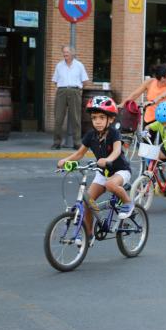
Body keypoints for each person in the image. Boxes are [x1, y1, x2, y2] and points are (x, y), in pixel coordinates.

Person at [57, 96, 133, 247]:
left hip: (120, 170)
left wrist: (108, 159)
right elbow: (79, 154)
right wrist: (66, 160)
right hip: (102, 172)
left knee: (111, 185)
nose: (97, 121)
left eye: (101, 117)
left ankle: (128, 203)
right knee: (88, 201)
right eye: (94, 118)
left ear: (110, 119)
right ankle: (89, 234)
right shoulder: (90, 136)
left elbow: (117, 150)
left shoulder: (113, 134)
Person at [51, 45, 89, 150]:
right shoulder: (59, 65)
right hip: (61, 91)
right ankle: (57, 142)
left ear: (72, 53)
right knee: (58, 118)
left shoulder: (79, 65)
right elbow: (55, 81)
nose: (65, 54)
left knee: (76, 119)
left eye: (67, 52)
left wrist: (78, 90)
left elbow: (85, 81)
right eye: (64, 52)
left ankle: (77, 143)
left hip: (75, 91)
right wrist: (62, 88)